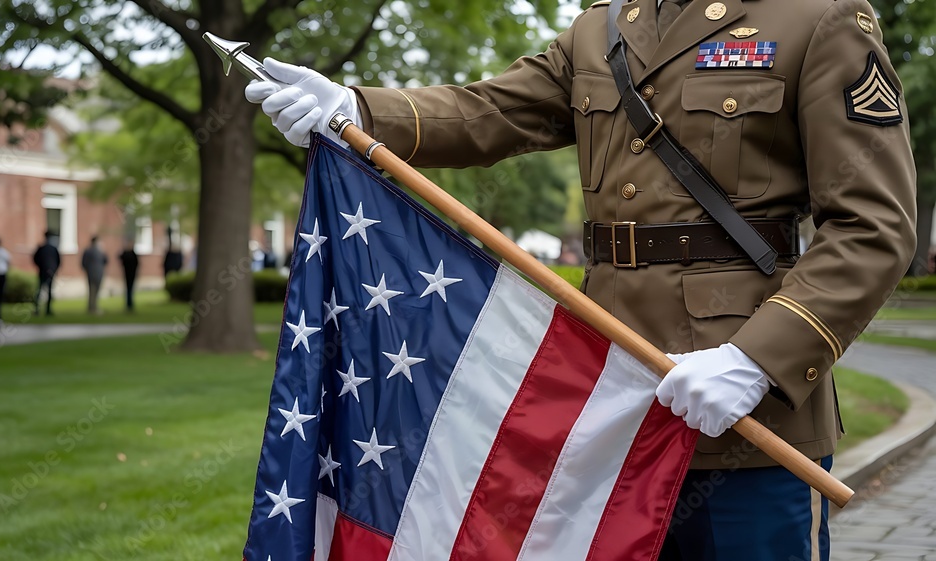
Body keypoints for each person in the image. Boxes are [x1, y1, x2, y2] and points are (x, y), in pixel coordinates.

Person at [245, 1, 917, 559]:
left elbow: (872, 225)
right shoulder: (603, 28)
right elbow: (491, 110)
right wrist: (360, 110)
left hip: (741, 408)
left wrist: (758, 358)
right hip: (605, 401)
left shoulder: (817, 18)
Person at [32, 231, 61, 316]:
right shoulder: (53, 248)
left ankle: (38, 309)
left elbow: (35, 258)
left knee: (40, 290)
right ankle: (47, 310)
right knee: (47, 291)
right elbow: (58, 260)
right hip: (49, 271)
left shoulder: (42, 248)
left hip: (43, 270)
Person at [81, 236, 108, 314]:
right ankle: (93, 308)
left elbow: (83, 263)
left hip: (91, 273)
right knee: (94, 291)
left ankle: (92, 307)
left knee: (92, 291)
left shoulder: (88, 251)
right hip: (97, 274)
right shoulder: (99, 251)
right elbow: (106, 261)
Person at [119, 241, 139, 312]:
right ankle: (129, 304)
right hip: (129, 274)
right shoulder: (131, 254)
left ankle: (129, 304)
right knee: (129, 289)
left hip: (129, 274)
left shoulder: (128, 254)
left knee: (129, 289)